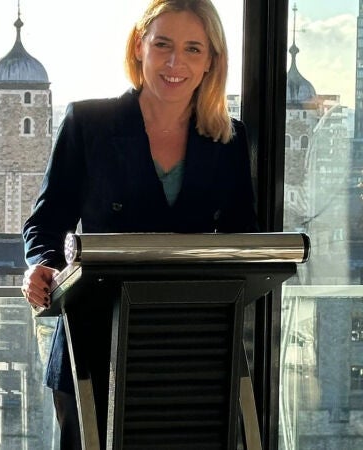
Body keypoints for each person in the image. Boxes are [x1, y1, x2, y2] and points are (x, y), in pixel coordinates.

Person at [20, 0, 258, 448]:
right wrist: (43, 266)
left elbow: (243, 241)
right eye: (162, 44)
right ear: (139, 46)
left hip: (193, 351)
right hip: (92, 349)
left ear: (211, 61)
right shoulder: (88, 124)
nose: (175, 63)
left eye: (192, 49)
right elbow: (45, 222)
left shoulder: (229, 140)